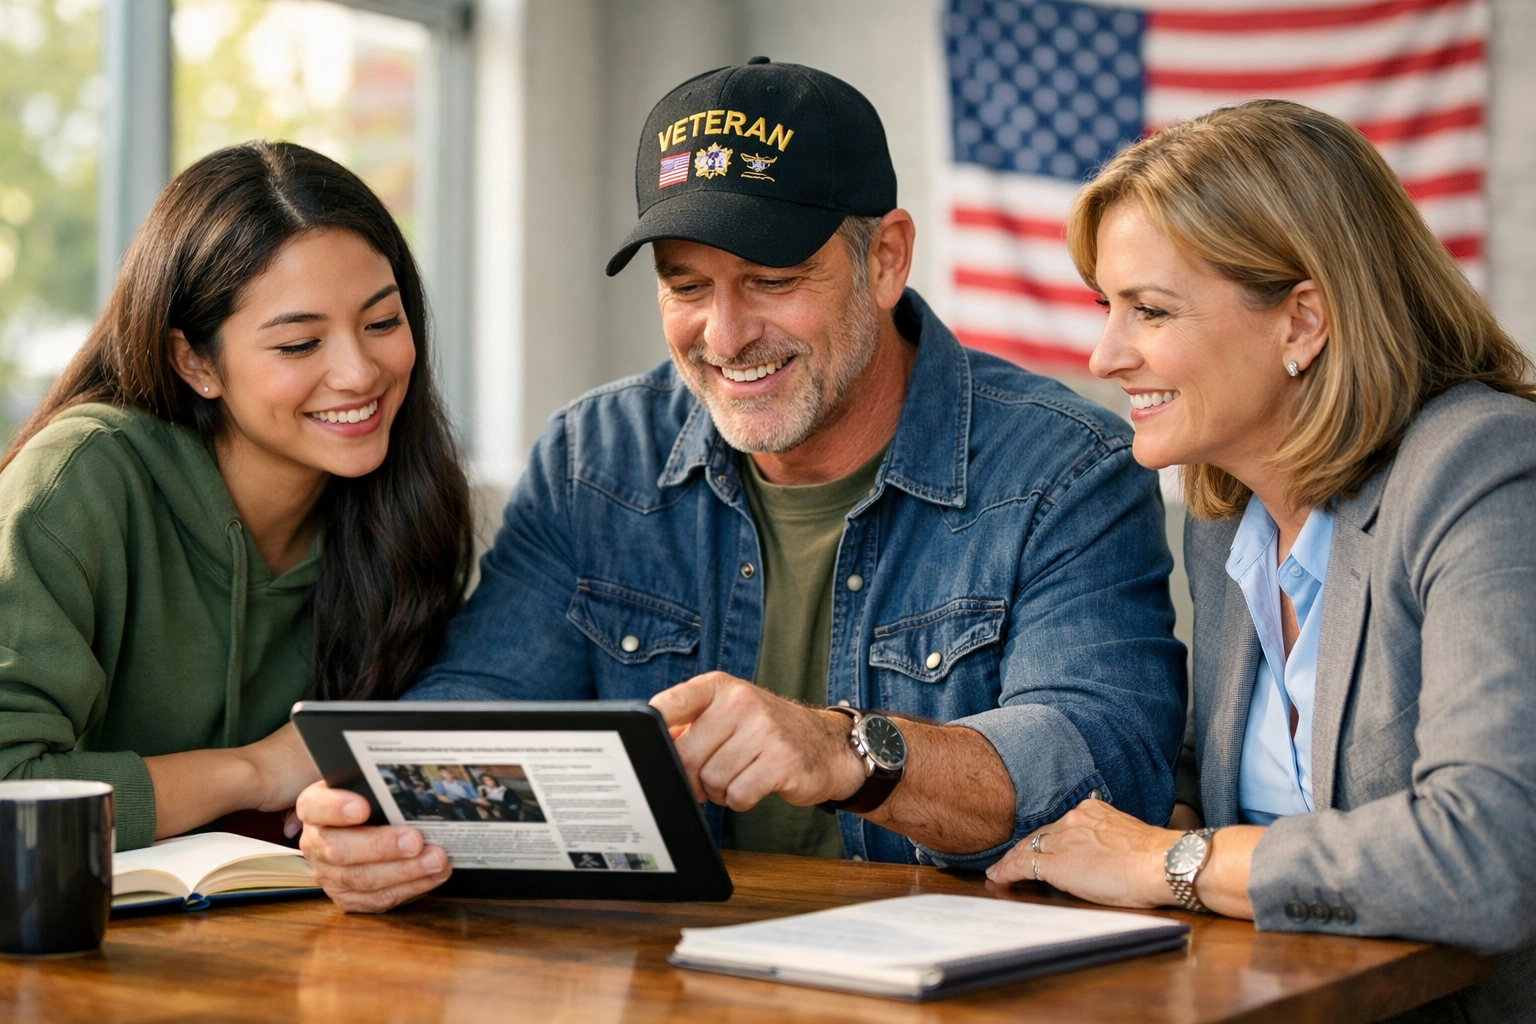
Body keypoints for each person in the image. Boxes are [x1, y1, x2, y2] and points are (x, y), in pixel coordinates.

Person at [296, 59, 1186, 912]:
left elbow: (1108, 761)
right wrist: (383, 814)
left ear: (886, 259)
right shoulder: (592, 458)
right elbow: (477, 702)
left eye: (773, 280)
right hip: (664, 970)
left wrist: (848, 752)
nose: (725, 336)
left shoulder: (1064, 467)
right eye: (686, 286)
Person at [986, 100, 1536, 1020]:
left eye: (1150, 311)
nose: (1105, 354)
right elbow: (1223, 774)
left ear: (1301, 322)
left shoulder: (1483, 470)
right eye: (1106, 307)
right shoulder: (1227, 512)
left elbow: (1488, 856)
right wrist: (1149, 829)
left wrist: (1172, 863)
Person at [0, 142, 473, 851]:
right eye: (299, 344)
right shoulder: (77, 482)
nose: (359, 373)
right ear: (194, 360)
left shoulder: (410, 501)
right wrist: (259, 770)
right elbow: (10, 790)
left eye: (382, 323)